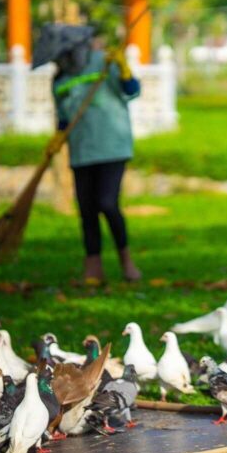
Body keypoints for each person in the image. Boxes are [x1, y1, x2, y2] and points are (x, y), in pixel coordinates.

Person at [34, 24, 142, 283]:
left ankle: (126, 261)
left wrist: (125, 71)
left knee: (107, 203)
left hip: (112, 146)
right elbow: (64, 117)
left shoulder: (104, 63)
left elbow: (133, 92)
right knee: (86, 210)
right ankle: (93, 267)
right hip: (81, 150)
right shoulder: (59, 80)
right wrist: (58, 137)